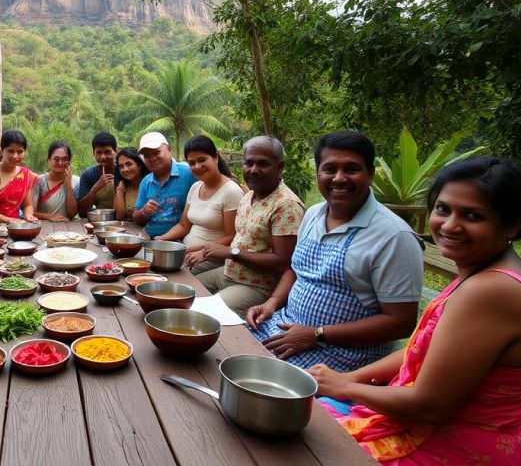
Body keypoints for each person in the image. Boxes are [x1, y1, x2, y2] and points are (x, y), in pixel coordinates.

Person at [309, 157, 521, 464]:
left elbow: (429, 406)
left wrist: (346, 386)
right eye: (443, 209)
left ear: (512, 223)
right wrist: (349, 380)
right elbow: (424, 349)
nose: (450, 225)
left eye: (472, 215)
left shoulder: (491, 291)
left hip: (452, 444)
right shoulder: (486, 272)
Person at [247, 131, 424, 372]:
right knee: (228, 351)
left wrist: (317, 334)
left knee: (259, 384)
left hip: (343, 354)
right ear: (318, 173)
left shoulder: (393, 236)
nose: (339, 178)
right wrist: (272, 302)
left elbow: (400, 323)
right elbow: (296, 270)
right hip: (287, 329)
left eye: (351, 169)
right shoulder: (312, 214)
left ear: (370, 174)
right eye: (330, 169)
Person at [192, 136, 304, 313]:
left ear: (280, 167)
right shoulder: (248, 197)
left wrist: (233, 253)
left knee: (202, 313)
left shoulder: (286, 205)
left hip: (256, 287)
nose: (253, 170)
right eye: (249, 163)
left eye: (263, 164)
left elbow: (284, 262)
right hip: (228, 273)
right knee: (183, 291)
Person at [158, 135, 244, 272]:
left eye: (202, 160)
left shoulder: (231, 192)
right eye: (191, 163)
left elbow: (232, 236)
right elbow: (183, 225)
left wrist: (196, 250)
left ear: (216, 157)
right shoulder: (196, 187)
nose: (197, 166)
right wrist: (160, 240)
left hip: (209, 259)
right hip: (186, 253)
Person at [132, 132, 196, 238]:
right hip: (149, 236)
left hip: (181, 239)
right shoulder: (146, 182)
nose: (152, 158)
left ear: (169, 150)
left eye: (156, 153)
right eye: (147, 156)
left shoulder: (189, 173)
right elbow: (137, 219)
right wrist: (144, 211)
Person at [0, 129, 38, 223]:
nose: (15, 156)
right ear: (1, 151)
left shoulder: (25, 174)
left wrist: (28, 215)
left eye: (20, 152)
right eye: (10, 151)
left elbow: (28, 205)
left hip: (15, 228)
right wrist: (7, 220)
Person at [32, 140, 79, 221]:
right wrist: (49, 216)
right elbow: (31, 213)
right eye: (56, 159)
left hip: (68, 229)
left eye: (64, 159)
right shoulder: (39, 181)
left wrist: (68, 183)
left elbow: (71, 214)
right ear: (49, 161)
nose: (60, 163)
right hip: (43, 227)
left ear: (69, 162)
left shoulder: (76, 181)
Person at [76, 132, 118, 216]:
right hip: (99, 220)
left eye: (107, 152)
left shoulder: (123, 172)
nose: (103, 157)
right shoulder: (88, 175)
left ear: (115, 151)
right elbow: (82, 213)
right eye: (99, 152)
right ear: (93, 153)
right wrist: (94, 189)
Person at [113, 147, 148, 221]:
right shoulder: (123, 186)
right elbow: (119, 217)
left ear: (139, 165)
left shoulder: (150, 183)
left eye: (129, 164)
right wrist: (119, 190)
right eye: (121, 166)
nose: (125, 169)